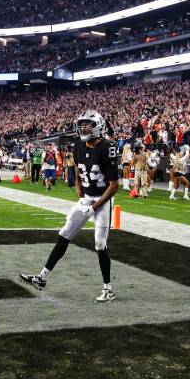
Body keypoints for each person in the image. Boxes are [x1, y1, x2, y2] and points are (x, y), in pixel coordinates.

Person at [20, 110, 119, 302]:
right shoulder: (78, 145)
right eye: (82, 124)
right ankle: (42, 278)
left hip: (103, 199)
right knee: (64, 233)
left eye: (87, 124)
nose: (83, 128)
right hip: (87, 198)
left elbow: (114, 186)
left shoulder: (108, 147)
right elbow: (75, 166)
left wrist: (94, 206)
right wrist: (78, 185)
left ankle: (108, 289)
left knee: (100, 243)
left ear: (98, 126)